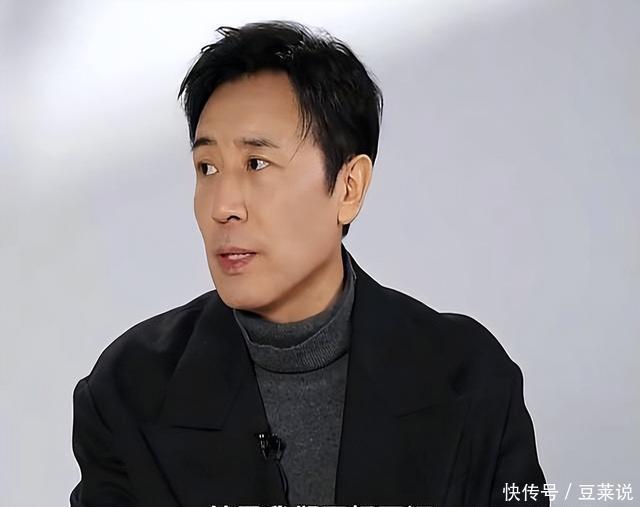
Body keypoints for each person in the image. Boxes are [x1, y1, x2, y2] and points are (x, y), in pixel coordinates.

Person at [70, 20, 548, 507]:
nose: (222, 206)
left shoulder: (468, 377)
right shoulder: (127, 391)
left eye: (256, 164)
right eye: (207, 167)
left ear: (348, 188)